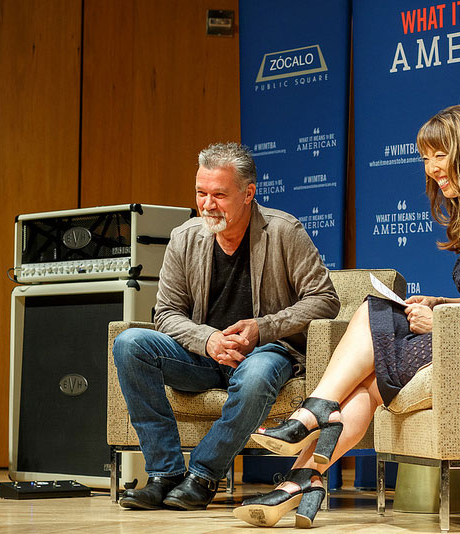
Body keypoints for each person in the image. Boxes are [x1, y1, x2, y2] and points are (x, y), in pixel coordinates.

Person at [234, 105, 460, 528]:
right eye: (425, 158)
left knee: (375, 311)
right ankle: (301, 479)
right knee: (370, 371)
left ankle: (306, 427)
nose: (432, 168)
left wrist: (441, 322)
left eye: (441, 155)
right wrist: (443, 303)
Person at [112, 142, 340, 511]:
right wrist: (208, 340)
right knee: (129, 344)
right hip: (201, 357)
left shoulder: (284, 231)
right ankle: (165, 474)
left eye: (219, 194)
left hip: (265, 352)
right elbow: (167, 312)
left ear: (248, 193)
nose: (207, 204)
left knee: (256, 374)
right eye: (201, 193)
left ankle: (203, 474)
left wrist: (262, 328)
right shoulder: (184, 237)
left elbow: (325, 299)